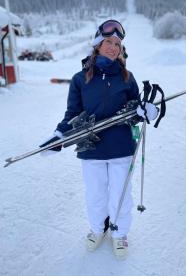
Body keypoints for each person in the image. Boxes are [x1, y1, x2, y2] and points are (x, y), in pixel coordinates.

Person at [40, 20, 158, 259]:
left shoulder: (127, 77)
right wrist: (59, 135)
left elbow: (134, 112)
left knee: (121, 195)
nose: (113, 47)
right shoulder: (79, 79)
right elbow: (72, 114)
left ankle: (119, 233)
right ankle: (98, 229)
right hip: (91, 149)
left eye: (117, 43)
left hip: (121, 148)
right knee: (95, 194)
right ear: (97, 45)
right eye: (108, 42)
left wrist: (146, 111)